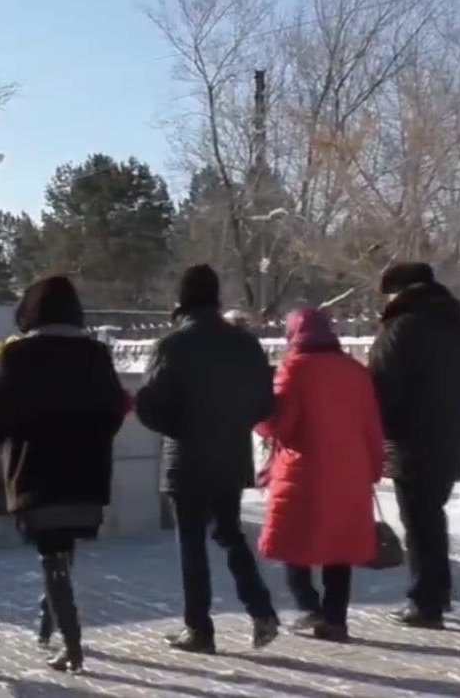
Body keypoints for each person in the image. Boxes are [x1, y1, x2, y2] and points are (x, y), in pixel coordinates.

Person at [0, 276, 128, 674]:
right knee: (61, 550)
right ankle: (50, 622)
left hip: (37, 473)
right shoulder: (96, 354)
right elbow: (116, 405)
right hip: (86, 472)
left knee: (52, 554)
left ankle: (72, 644)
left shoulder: (19, 356)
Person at [136, 264, 280, 654]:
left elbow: (148, 404)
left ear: (181, 300)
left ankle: (199, 628)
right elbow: (264, 401)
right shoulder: (245, 344)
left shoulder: (173, 345)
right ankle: (261, 608)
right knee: (230, 534)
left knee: (192, 545)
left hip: (187, 458)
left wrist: (179, 427)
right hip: (230, 454)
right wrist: (233, 424)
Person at [255, 308, 385, 643]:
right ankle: (335, 620)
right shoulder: (356, 372)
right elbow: (371, 427)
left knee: (292, 540)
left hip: (304, 472)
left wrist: (259, 418)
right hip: (351, 471)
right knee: (339, 547)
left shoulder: (294, 369)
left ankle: (307, 604)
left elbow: (279, 426)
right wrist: (373, 467)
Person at [368, 262, 460, 630]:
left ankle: (425, 601)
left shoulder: (400, 328)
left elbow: (382, 388)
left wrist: (375, 433)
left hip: (410, 440)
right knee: (433, 516)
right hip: (449, 438)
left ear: (399, 291)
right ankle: (438, 591)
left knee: (418, 522)